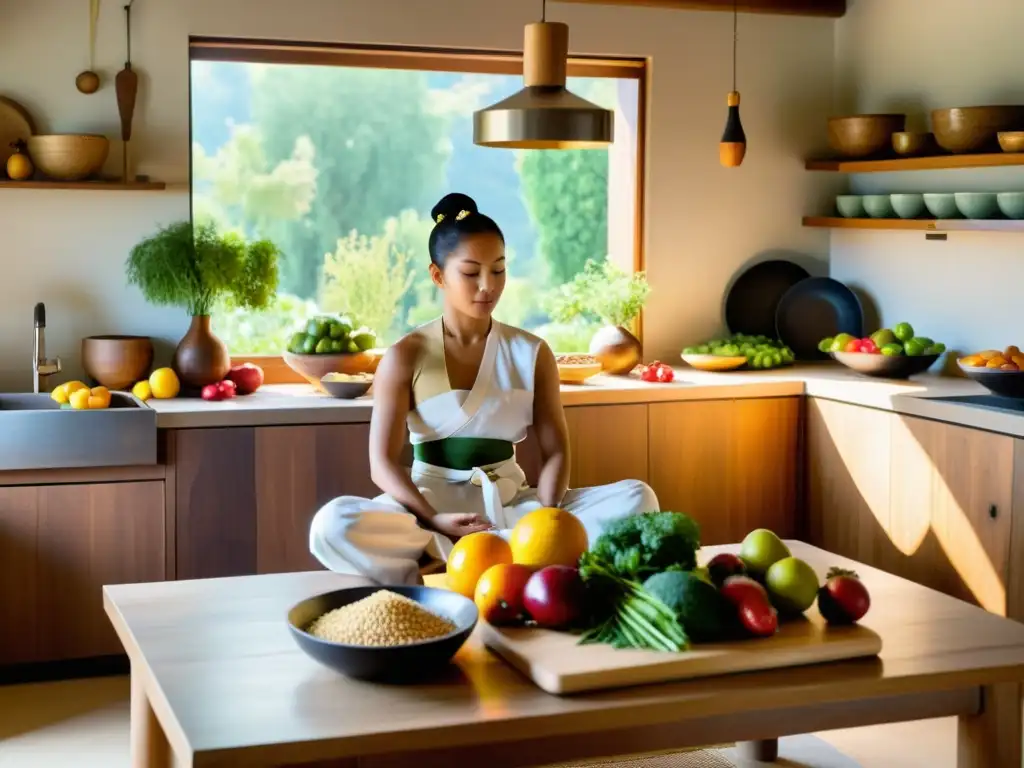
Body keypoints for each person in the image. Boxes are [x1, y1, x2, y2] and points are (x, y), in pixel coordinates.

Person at [309, 193, 659, 584]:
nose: (487, 286)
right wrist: (434, 517)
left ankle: (505, 552)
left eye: (499, 270)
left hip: (513, 506)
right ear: (438, 275)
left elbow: (556, 449)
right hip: (428, 510)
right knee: (331, 525)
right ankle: (487, 557)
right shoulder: (404, 355)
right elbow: (383, 464)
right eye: (471, 272)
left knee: (638, 498)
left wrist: (546, 514)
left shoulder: (532, 352)